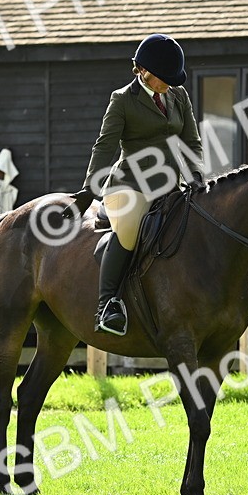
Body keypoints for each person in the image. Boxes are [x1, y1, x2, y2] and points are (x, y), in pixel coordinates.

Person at [71, 33, 204, 336]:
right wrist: (90, 187)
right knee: (129, 230)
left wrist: (197, 179)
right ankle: (107, 305)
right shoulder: (122, 100)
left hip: (170, 187)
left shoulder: (178, 96)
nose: (168, 84)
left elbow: (191, 142)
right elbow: (104, 146)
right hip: (129, 186)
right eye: (163, 79)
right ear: (143, 70)